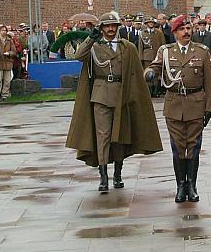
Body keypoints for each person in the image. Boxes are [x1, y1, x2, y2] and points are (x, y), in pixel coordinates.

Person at [66, 12, 162, 192]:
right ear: (101, 28)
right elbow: (79, 56)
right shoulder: (94, 46)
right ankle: (103, 177)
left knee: (119, 136)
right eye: (106, 26)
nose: (110, 29)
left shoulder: (127, 47)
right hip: (101, 95)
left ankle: (118, 174)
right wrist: (90, 38)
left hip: (122, 94)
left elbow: (135, 73)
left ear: (118, 28)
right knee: (103, 137)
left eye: (113, 26)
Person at [145, 15, 211, 203]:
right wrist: (150, 73)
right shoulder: (166, 51)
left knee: (193, 147)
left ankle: (191, 185)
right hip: (174, 104)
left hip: (195, 104)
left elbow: (209, 82)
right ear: (175, 32)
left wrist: (209, 108)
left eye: (188, 28)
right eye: (182, 29)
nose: (186, 32)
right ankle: (180, 186)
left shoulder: (202, 51)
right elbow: (154, 66)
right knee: (177, 147)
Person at [138, 16, 166, 97]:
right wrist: (141, 58)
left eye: (152, 23)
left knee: (156, 75)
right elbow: (140, 47)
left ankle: (156, 91)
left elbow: (163, 45)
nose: (151, 24)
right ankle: (149, 92)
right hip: (146, 57)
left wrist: (162, 56)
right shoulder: (142, 33)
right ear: (146, 24)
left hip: (156, 56)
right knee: (148, 74)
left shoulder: (159, 33)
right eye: (149, 23)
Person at [0, 25, 16, 104]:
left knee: (7, 81)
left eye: (5, 30)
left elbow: (14, 51)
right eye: (2, 30)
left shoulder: (10, 40)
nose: (4, 32)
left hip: (7, 62)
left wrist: (9, 53)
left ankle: (5, 95)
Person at [192, 19, 211, 88]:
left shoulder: (210, 35)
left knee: (209, 72)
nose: (202, 27)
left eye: (203, 25)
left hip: (208, 56)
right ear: (198, 26)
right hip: (198, 56)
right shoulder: (195, 35)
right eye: (201, 25)